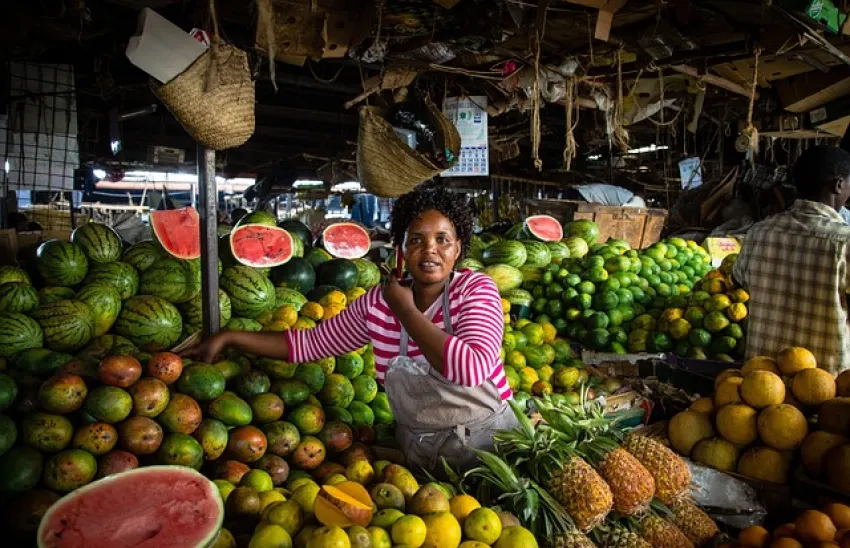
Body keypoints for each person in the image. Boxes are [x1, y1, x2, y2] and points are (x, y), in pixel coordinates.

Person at [188, 183, 516, 472]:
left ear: (458, 249)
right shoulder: (376, 303)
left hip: (491, 454)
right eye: (416, 239)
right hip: (423, 457)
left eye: (442, 239)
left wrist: (403, 308)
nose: (430, 248)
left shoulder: (475, 289)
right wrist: (229, 337)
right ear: (401, 250)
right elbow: (307, 344)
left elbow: (470, 368)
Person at [734, 145, 850, 374]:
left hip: (761, 386)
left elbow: (739, 283)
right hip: (825, 386)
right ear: (838, 185)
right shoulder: (844, 242)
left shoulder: (758, 232)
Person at [563, 183, 646, 207]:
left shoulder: (626, 194)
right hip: (587, 195)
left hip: (584, 191)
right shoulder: (639, 202)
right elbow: (623, 210)